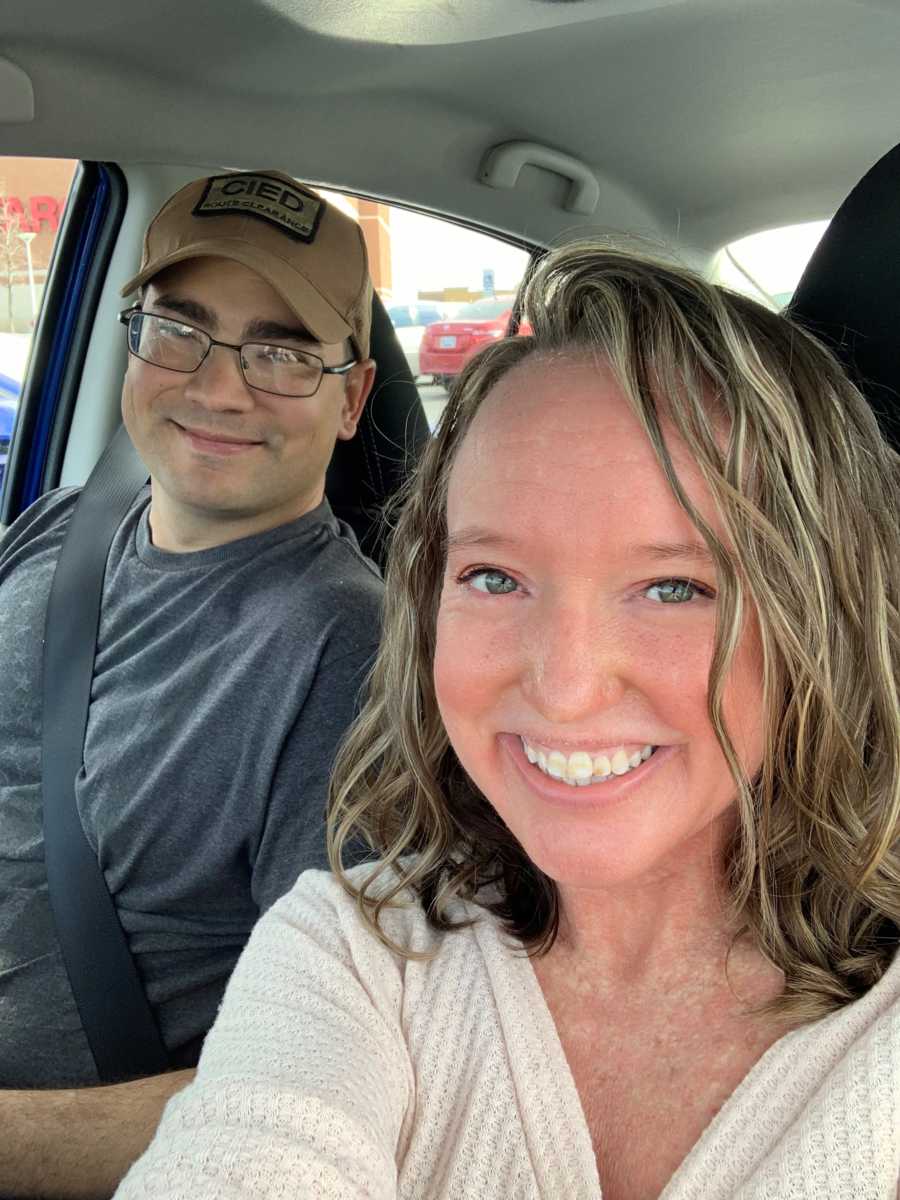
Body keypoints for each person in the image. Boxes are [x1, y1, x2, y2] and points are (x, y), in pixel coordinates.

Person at [117, 244, 900, 1200]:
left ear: (825, 627)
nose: (565, 688)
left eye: (675, 587)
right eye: (493, 577)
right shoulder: (355, 955)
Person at [0, 170, 385, 1196]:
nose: (218, 389)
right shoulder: (59, 526)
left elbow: (316, 1088)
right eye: (179, 330)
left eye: (282, 353)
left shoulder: (348, 650)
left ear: (351, 399)